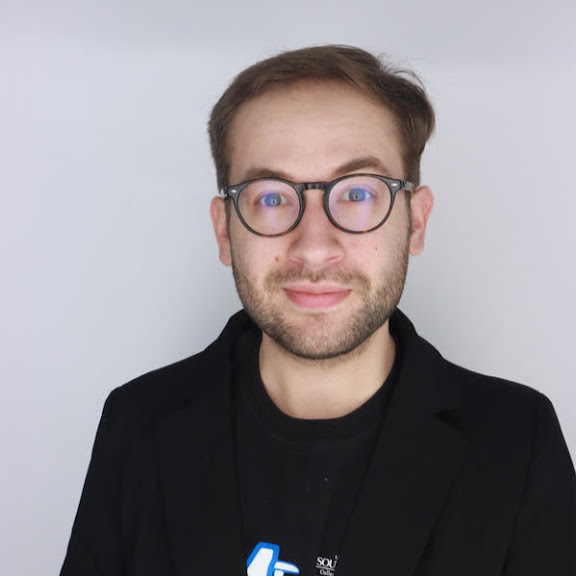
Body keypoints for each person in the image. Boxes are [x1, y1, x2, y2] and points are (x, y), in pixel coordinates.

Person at [60, 45, 576, 576]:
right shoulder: (138, 426)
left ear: (416, 223)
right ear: (224, 231)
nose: (313, 248)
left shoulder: (517, 442)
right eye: (270, 197)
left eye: (357, 194)